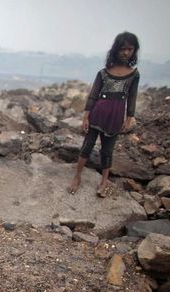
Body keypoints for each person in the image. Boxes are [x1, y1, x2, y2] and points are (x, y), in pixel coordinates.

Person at [68, 32, 140, 197]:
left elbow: (132, 96)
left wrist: (130, 116)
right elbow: (93, 94)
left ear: (134, 51)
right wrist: (86, 116)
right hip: (98, 113)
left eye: (130, 49)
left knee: (107, 150)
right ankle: (77, 176)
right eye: (123, 49)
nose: (126, 52)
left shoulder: (134, 74)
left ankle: (103, 182)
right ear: (116, 50)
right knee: (87, 146)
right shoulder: (104, 73)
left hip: (116, 116)